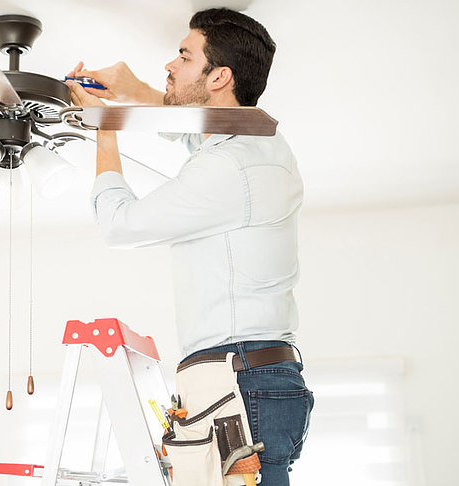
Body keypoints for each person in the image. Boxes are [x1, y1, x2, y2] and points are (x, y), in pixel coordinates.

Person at [66, 8, 313, 485]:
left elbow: (119, 224)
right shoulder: (256, 144)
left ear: (219, 75)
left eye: (183, 55)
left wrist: (105, 126)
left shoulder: (230, 166)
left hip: (238, 381)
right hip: (248, 377)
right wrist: (131, 89)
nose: (170, 65)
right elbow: (192, 126)